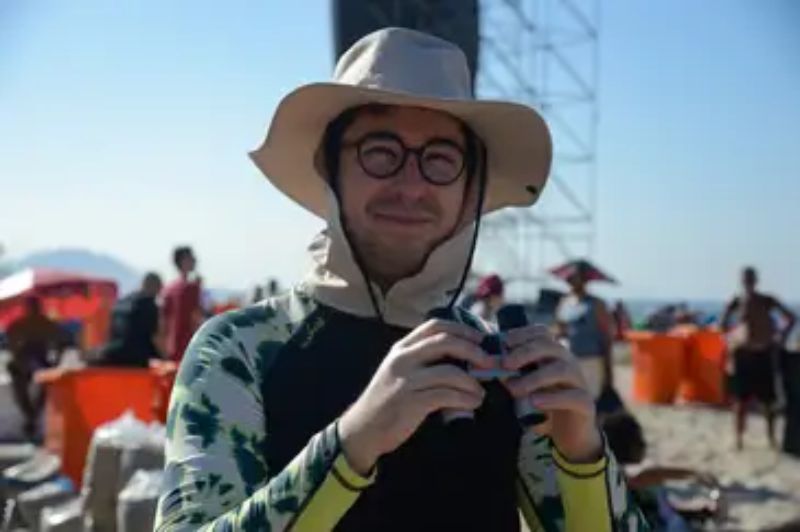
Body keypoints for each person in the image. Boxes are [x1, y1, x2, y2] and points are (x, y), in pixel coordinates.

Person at [156, 28, 646, 530]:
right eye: (380, 150)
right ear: (330, 167)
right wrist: (355, 442)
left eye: (440, 158)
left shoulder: (498, 368)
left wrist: (584, 455)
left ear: (470, 188)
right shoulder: (241, 351)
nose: (410, 185)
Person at [721, 266, 796, 450]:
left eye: (751, 278)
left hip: (764, 353)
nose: (748, 282)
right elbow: (722, 325)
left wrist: (781, 338)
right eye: (746, 279)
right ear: (742, 281)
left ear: (756, 280)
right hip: (743, 355)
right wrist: (733, 339)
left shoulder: (766, 300)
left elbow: (791, 318)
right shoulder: (736, 301)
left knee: (768, 401)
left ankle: (771, 439)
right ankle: (738, 439)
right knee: (740, 401)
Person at [5, 296, 63, 438]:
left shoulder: (43, 324)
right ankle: (31, 416)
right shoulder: (40, 324)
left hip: (36, 363)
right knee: (27, 388)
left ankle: (31, 417)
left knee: (41, 388)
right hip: (26, 363)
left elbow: (59, 344)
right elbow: (59, 345)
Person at [555, 265, 615, 400]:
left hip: (591, 359)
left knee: (590, 399)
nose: (572, 282)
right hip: (569, 359)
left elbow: (607, 335)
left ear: (585, 280)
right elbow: (560, 330)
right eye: (570, 279)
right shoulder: (564, 303)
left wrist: (608, 369)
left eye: (576, 278)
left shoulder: (596, 304)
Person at [96, 272, 163, 367]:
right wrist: (165, 357)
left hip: (111, 354)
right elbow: (155, 337)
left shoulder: (122, 301)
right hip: (135, 359)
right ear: (156, 287)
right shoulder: (148, 304)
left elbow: (109, 330)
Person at [161, 246, 203, 362]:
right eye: (191, 257)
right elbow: (196, 319)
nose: (195, 260)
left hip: (170, 348)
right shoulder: (192, 287)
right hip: (187, 347)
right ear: (183, 261)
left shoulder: (168, 288)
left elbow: (163, 321)